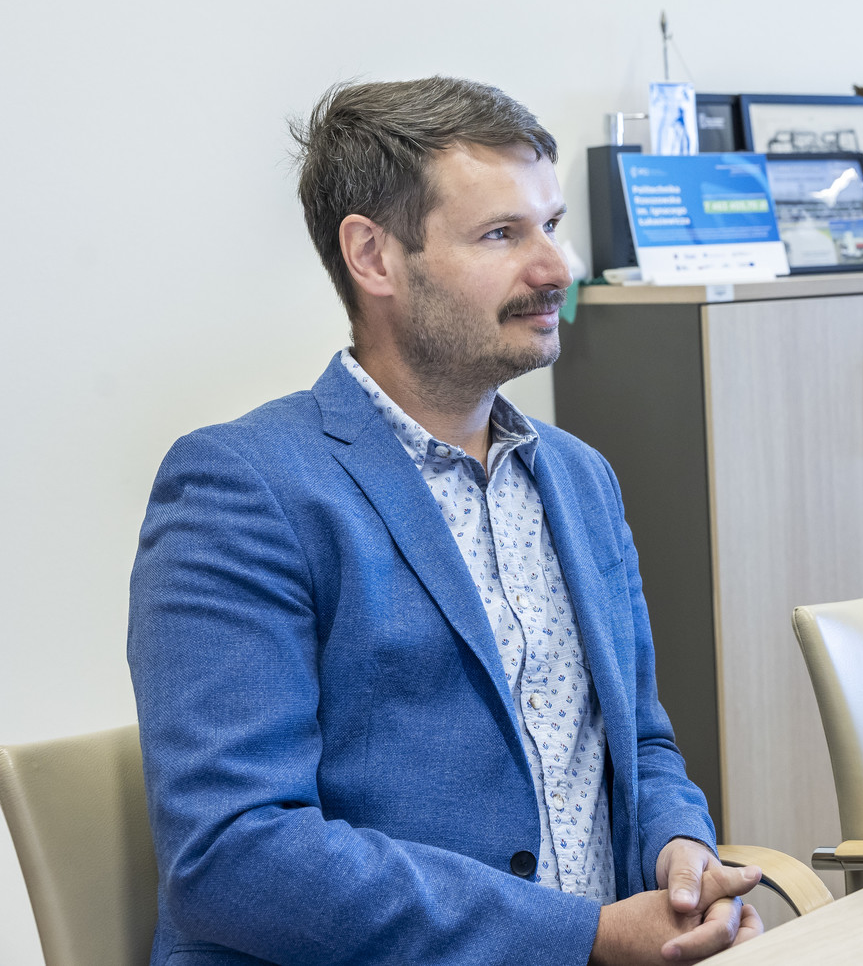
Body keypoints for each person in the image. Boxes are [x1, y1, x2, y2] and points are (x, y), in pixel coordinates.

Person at [127, 77, 762, 965]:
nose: (556, 268)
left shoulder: (579, 478)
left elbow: (640, 743)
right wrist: (583, 937)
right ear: (374, 257)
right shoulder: (243, 488)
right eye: (502, 234)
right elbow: (234, 853)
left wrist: (678, 850)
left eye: (551, 224)